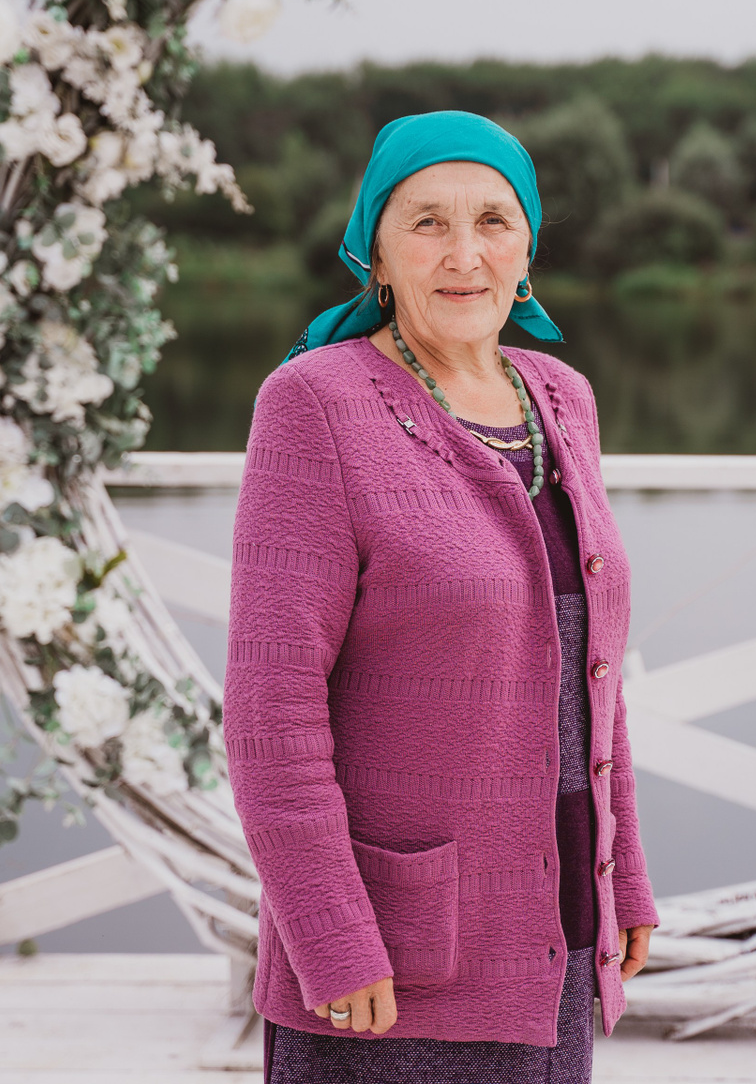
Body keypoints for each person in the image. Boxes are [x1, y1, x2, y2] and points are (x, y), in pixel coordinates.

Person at [224, 111, 657, 1083]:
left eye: (494, 221)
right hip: (395, 947)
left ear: (527, 247)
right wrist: (330, 931)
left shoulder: (563, 397)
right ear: (374, 252)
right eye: (427, 223)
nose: (465, 254)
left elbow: (595, 676)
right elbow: (271, 710)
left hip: (557, 923)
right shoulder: (315, 403)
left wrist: (623, 875)